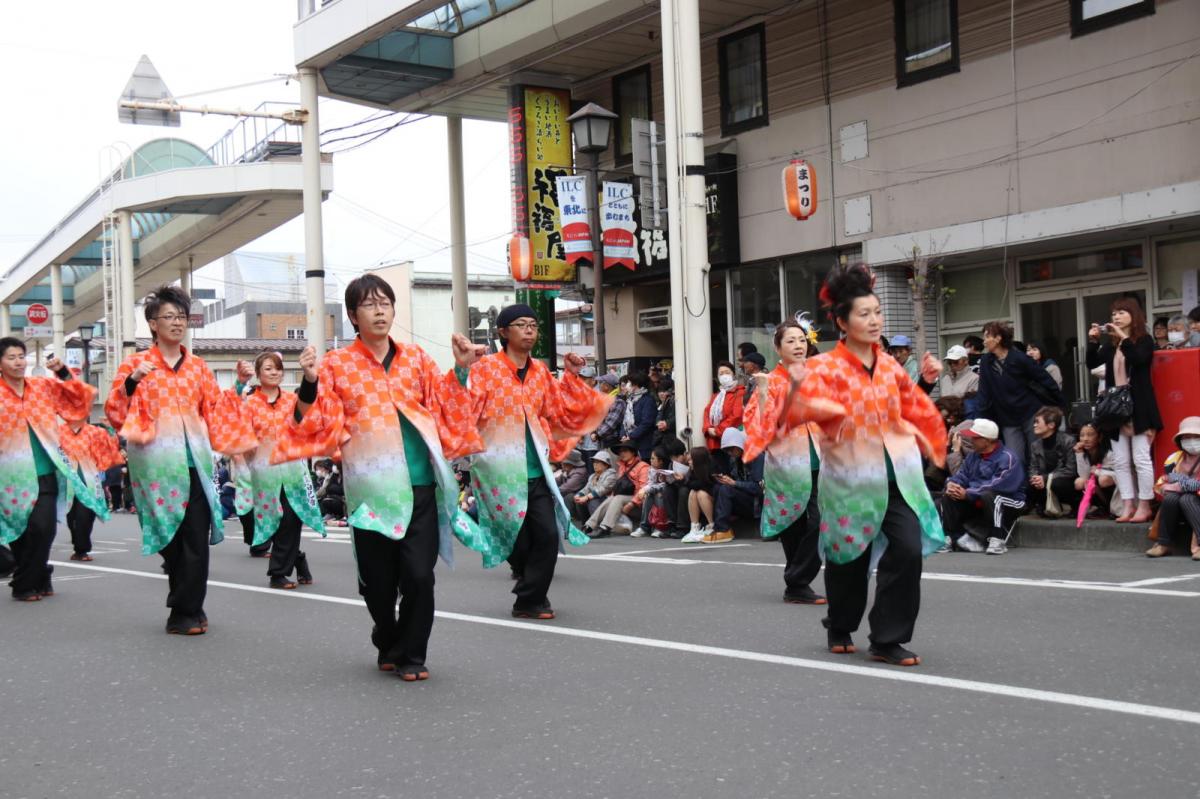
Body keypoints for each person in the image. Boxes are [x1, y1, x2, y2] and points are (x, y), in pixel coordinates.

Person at [275, 274, 489, 679]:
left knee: (419, 576)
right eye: (369, 305)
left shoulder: (417, 358)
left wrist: (461, 371)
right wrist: (308, 381)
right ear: (354, 316)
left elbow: (445, 406)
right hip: (371, 489)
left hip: (419, 482)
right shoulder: (337, 364)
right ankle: (388, 636)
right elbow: (311, 420)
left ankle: (411, 655)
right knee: (378, 582)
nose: (380, 311)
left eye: (386, 303)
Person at [786, 263, 946, 667]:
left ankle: (887, 638)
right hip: (849, 480)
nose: (875, 321)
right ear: (842, 321)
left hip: (897, 477)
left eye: (877, 313)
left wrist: (926, 381)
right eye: (864, 314)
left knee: (908, 551)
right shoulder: (825, 368)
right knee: (848, 559)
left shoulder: (891, 365)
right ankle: (839, 625)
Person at [105, 285, 257, 634]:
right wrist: (131, 383)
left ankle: (186, 612)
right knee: (169, 538)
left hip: (196, 465)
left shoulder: (199, 368)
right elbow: (115, 414)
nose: (177, 323)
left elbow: (216, 410)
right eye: (169, 317)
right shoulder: (134, 364)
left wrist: (237, 387)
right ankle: (186, 601)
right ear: (152, 323)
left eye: (182, 317)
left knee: (195, 536)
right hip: (155, 466)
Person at [447, 303, 612, 620]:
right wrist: (462, 369)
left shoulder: (540, 371)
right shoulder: (485, 368)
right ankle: (526, 580)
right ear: (503, 332)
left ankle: (531, 599)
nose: (528, 330)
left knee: (548, 535)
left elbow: (557, 410)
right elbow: (461, 406)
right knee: (515, 537)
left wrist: (573, 377)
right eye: (521, 325)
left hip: (535, 467)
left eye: (533, 325)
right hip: (496, 469)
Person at [0, 338, 102, 601]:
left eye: (21, 356)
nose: (18, 362)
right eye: (11, 357)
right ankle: (40, 574)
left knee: (44, 528)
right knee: (21, 530)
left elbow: (79, 398)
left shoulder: (42, 386)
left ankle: (24, 583)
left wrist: (62, 372)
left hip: (45, 469)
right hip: (9, 475)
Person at [743, 318, 825, 603]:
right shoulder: (771, 380)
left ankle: (796, 579)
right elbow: (759, 425)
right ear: (778, 348)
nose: (798, 345)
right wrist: (764, 392)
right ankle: (797, 586)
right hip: (787, 461)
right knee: (793, 524)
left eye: (802, 340)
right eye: (790, 341)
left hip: (819, 457)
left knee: (819, 520)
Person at [236, 352, 325, 590]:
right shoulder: (250, 403)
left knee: (292, 518)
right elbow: (242, 435)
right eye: (268, 369)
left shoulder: (291, 401)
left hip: (294, 469)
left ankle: (278, 572)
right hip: (265, 471)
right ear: (258, 374)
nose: (274, 372)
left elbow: (308, 414)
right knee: (275, 520)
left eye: (277, 368)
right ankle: (298, 559)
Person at [1086, 298, 1163, 523]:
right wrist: (1093, 341)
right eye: (1114, 314)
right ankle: (1128, 504)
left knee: (1141, 459)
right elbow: (1092, 363)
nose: (1116, 317)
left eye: (1121, 313)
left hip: (1139, 407)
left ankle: (1145, 504)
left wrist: (1124, 337)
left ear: (1133, 315)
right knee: (1120, 460)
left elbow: (1139, 360)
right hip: (1115, 408)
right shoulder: (1111, 345)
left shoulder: (1144, 340)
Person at [976, 320, 1063, 468]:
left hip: (1030, 412)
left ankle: (1040, 487)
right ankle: (1020, 489)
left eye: (986, 337)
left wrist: (1059, 404)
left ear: (998, 338)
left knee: (1037, 453)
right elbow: (984, 391)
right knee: (1014, 458)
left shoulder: (1019, 358)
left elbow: (1044, 379)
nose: (984, 342)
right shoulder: (985, 361)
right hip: (1007, 417)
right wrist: (980, 419)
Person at [940, 419, 1026, 555]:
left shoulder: (1008, 458)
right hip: (978, 497)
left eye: (975, 437)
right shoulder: (973, 456)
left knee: (990, 495)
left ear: (987, 440)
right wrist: (952, 484)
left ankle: (997, 539)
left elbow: (997, 485)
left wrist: (968, 493)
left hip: (1011, 500)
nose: (971, 440)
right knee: (949, 495)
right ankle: (952, 538)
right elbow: (962, 475)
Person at [58, 417, 123, 562]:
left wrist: (111, 430)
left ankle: (82, 550)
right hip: (68, 483)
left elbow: (111, 448)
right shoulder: (59, 431)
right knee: (71, 518)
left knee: (85, 517)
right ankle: (77, 543)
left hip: (89, 482)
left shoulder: (95, 432)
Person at [1147, 416, 1200, 559]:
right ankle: (1163, 544)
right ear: (1180, 441)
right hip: (1179, 505)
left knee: (1187, 499)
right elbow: (1163, 481)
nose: (1191, 441)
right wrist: (1167, 487)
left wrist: (1180, 485)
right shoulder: (1174, 459)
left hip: (1195, 503)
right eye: (1187, 437)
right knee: (1171, 498)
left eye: (1196, 436)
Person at [700, 427, 763, 544]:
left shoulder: (756, 456)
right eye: (727, 450)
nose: (730, 453)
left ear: (739, 444)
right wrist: (725, 480)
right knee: (718, 488)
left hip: (755, 503)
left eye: (731, 449)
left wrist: (734, 483)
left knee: (726, 489)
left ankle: (724, 529)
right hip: (744, 499)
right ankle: (717, 527)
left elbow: (759, 488)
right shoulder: (734, 459)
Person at [584, 442, 649, 538]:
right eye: (620, 451)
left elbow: (643, 490)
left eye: (625, 451)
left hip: (640, 504)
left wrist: (632, 504)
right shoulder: (622, 466)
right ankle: (589, 526)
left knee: (617, 498)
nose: (622, 453)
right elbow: (618, 487)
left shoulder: (643, 466)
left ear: (633, 452)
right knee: (612, 498)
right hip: (624, 499)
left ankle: (605, 527)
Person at [1027, 406, 1078, 518]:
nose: (1034, 425)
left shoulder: (1068, 441)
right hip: (1045, 482)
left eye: (1037, 422)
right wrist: (1035, 478)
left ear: (1051, 425)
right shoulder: (1035, 445)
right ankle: (1044, 505)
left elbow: (1071, 470)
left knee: (1057, 483)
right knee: (1029, 484)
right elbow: (1033, 468)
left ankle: (1074, 505)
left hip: (1064, 482)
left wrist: (1046, 478)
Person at [1074, 422, 1121, 519]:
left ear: (1099, 437)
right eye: (1082, 435)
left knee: (1103, 480)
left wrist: (1098, 472)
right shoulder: (1082, 452)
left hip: (1112, 487)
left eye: (1090, 435)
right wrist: (1079, 454)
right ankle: (1098, 508)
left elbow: (1117, 473)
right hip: (1095, 486)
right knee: (1079, 482)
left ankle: (1112, 508)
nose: (1085, 439)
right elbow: (1084, 475)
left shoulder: (1108, 453)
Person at [701, 361, 744, 454]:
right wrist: (708, 428)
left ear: (733, 374)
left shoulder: (739, 392)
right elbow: (707, 413)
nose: (724, 375)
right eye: (721, 374)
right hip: (714, 443)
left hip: (731, 443)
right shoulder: (717, 395)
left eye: (727, 372)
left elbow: (737, 416)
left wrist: (717, 430)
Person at [633, 447, 673, 538]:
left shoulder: (667, 471)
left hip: (666, 495)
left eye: (653, 458)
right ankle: (644, 527)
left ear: (661, 461)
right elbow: (650, 483)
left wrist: (648, 489)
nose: (650, 460)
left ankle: (660, 527)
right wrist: (644, 490)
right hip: (655, 492)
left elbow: (664, 485)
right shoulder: (651, 469)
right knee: (648, 495)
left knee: (659, 496)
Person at [572, 450, 618, 526]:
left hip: (608, 502)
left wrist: (587, 497)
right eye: (594, 462)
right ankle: (586, 525)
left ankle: (597, 526)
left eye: (598, 462)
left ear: (606, 464)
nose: (594, 464)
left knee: (592, 501)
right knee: (580, 501)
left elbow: (603, 489)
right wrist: (579, 495)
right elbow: (586, 488)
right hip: (596, 499)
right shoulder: (593, 476)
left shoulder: (611, 474)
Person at [681, 446, 717, 542]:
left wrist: (684, 480)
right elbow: (692, 485)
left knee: (700, 493)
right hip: (704, 500)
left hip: (714, 500)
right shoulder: (694, 471)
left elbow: (702, 485)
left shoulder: (711, 469)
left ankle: (712, 526)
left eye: (691, 460)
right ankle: (694, 527)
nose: (689, 462)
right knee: (693, 492)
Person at [618, 371, 657, 461]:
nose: (627, 386)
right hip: (629, 444)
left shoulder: (647, 400)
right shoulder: (630, 399)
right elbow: (624, 421)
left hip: (643, 445)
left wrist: (631, 436)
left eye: (630, 383)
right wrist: (623, 435)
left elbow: (647, 423)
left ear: (637, 385)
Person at [653, 378, 675, 448]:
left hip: (670, 438)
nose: (662, 393)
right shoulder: (659, 404)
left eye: (665, 391)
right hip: (661, 439)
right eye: (660, 391)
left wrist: (667, 423)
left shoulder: (673, 402)